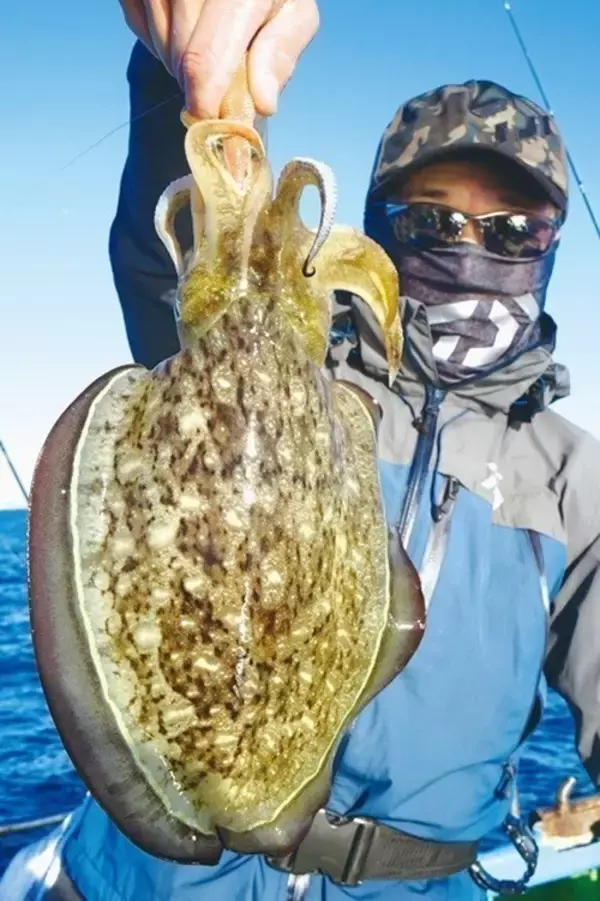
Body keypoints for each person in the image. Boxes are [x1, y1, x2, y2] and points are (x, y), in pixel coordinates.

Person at [3, 1, 600, 899]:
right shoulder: (313, 370)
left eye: (513, 231)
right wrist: (193, 82)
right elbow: (179, 264)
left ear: (549, 248)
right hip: (152, 878)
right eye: (432, 221)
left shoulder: (573, 479)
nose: (471, 250)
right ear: (374, 230)